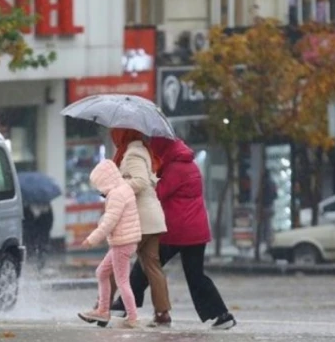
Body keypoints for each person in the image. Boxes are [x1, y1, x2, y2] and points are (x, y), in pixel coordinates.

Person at [112, 137, 236, 330]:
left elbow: (158, 193)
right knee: (195, 276)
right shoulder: (188, 165)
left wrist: (147, 178)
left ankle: (123, 306)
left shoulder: (176, 168)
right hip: (195, 231)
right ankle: (222, 315)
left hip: (177, 230)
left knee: (147, 263)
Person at [108, 128, 171, 326]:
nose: (114, 137)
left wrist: (116, 189)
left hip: (140, 219)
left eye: (116, 133)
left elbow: (141, 182)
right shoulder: (144, 151)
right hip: (152, 218)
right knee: (152, 266)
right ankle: (162, 313)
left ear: (123, 134)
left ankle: (102, 306)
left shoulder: (133, 153)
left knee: (113, 262)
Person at [78, 159, 142, 329]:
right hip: (125, 241)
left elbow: (109, 222)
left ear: (105, 180)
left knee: (122, 281)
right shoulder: (124, 188)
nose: (99, 189)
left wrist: (91, 239)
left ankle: (132, 317)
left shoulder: (116, 194)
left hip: (122, 243)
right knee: (101, 273)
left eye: (99, 184)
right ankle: (103, 310)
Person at [22, 202, 53, 270]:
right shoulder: (28, 208)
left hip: (41, 232)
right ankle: (37, 263)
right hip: (37, 233)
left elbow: (49, 221)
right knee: (38, 247)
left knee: (41, 247)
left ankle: (40, 264)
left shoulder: (46, 211)